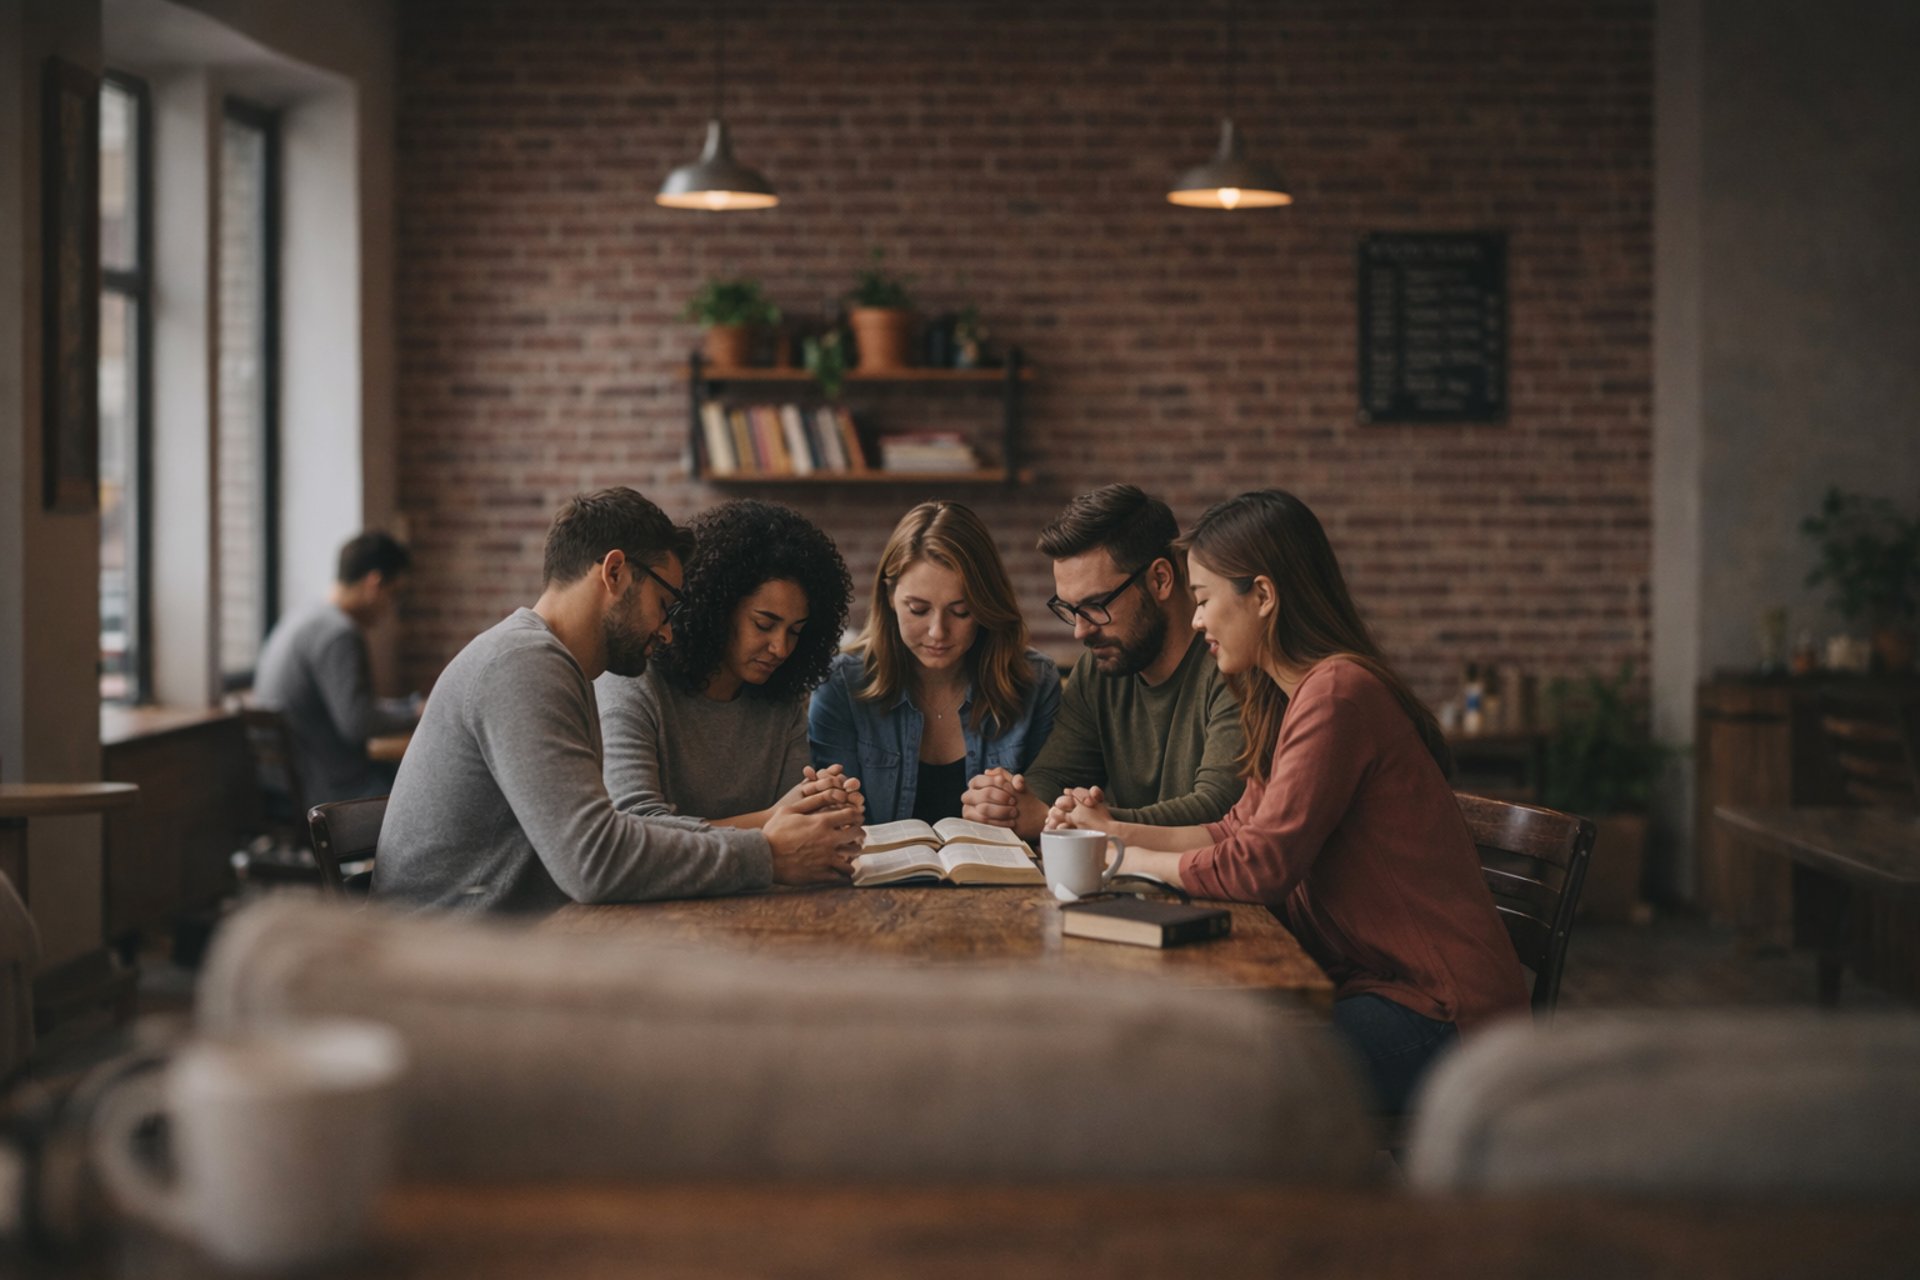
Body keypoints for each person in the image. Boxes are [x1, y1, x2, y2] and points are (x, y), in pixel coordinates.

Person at [1044, 489, 1527, 1112]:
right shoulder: (1288, 697)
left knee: (1202, 1081)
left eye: (1203, 601)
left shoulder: (1337, 695)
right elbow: (1234, 830)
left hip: (1444, 1018)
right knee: (1187, 1054)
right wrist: (1113, 833)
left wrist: (1124, 862)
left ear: (1264, 597)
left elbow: (1262, 865)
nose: (1194, 622)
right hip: (1379, 992)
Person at [373, 488, 860, 913]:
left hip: (509, 946)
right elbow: (594, 860)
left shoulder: (559, 669)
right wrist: (767, 852)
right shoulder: (523, 664)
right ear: (615, 572)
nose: (669, 631)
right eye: (665, 605)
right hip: (443, 964)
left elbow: (611, 834)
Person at [959, 485, 1243, 839]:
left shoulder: (1232, 661)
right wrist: (1008, 803)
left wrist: (1077, 822)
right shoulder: (1099, 669)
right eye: (1069, 609)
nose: (1080, 631)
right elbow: (1053, 776)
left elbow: (1220, 808)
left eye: (1095, 605)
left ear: (1160, 579)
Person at [598, 499, 861, 829]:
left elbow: (797, 825)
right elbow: (636, 831)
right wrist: (769, 822)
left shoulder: (782, 700)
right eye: (764, 624)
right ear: (716, 609)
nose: (781, 648)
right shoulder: (634, 683)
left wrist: (826, 805)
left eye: (795, 631)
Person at [810, 501, 1060, 826]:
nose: (937, 632)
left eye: (961, 611)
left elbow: (1053, 816)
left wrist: (1024, 809)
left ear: (985, 606)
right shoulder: (841, 685)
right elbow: (831, 825)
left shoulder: (1035, 681)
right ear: (889, 597)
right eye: (917, 609)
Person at [253, 531, 420, 805]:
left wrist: (408, 707)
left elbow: (357, 708)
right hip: (331, 794)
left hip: (288, 787)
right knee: (434, 793)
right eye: (394, 595)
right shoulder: (339, 634)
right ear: (374, 584)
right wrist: (419, 715)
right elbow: (357, 722)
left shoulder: (304, 616)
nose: (391, 608)